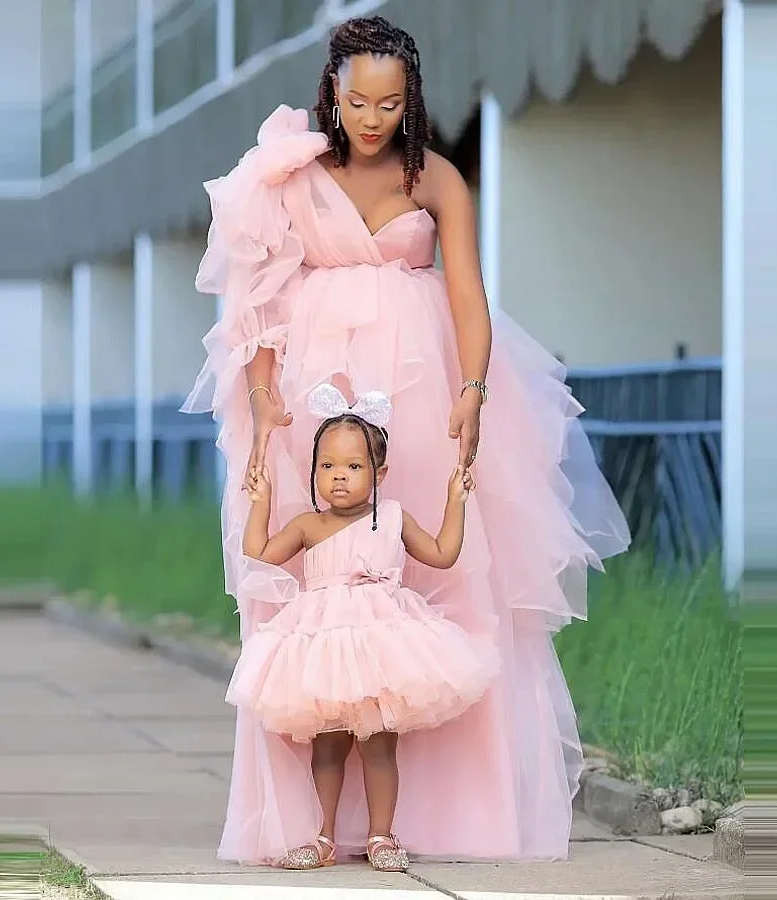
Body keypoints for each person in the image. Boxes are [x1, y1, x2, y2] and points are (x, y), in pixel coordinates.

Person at [182, 14, 630, 866]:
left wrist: (472, 388)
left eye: (390, 102)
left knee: (437, 578)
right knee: (313, 588)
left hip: (419, 390)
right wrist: (266, 396)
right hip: (313, 402)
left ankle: (447, 813)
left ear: (410, 100)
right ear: (333, 96)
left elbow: (468, 294)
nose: (373, 118)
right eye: (357, 101)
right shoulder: (290, 178)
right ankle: (314, 820)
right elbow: (257, 304)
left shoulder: (438, 180)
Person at [226, 383, 499, 870]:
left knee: (379, 746)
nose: (338, 478)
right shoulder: (309, 525)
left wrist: (455, 499)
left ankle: (381, 835)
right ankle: (323, 836)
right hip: (324, 648)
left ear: (379, 472)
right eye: (327, 466)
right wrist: (261, 503)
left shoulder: (393, 518)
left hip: (381, 644)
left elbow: (442, 553)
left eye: (353, 467)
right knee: (328, 745)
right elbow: (258, 558)